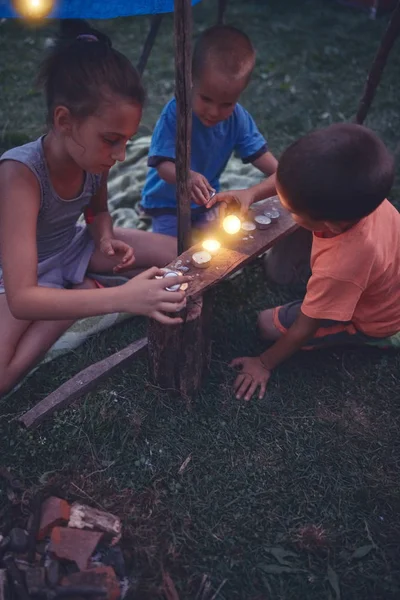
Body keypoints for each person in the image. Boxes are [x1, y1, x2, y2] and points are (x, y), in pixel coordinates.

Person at [0, 20, 189, 397]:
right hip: (18, 276)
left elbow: (97, 212)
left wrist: (104, 238)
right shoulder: (20, 175)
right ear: (64, 120)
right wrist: (122, 297)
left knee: (180, 253)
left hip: (73, 246)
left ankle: (78, 292)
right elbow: (22, 298)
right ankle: (72, 305)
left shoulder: (94, 160)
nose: (120, 156)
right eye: (111, 140)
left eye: (127, 142)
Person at [230, 123, 400, 401]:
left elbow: (304, 328)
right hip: (379, 276)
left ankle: (378, 337)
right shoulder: (358, 196)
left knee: (266, 325)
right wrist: (251, 194)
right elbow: (290, 180)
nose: (283, 206)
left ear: (330, 225)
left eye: (292, 209)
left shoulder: (341, 266)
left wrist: (263, 363)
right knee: (288, 248)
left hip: (372, 316)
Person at [141, 25, 278, 238]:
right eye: (206, 99)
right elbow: (162, 166)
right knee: (172, 255)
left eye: (226, 103)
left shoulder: (238, 119)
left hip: (208, 201)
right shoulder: (176, 113)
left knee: (226, 243)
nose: (214, 112)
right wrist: (186, 176)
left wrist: (255, 190)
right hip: (167, 203)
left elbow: (276, 169)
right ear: (191, 82)